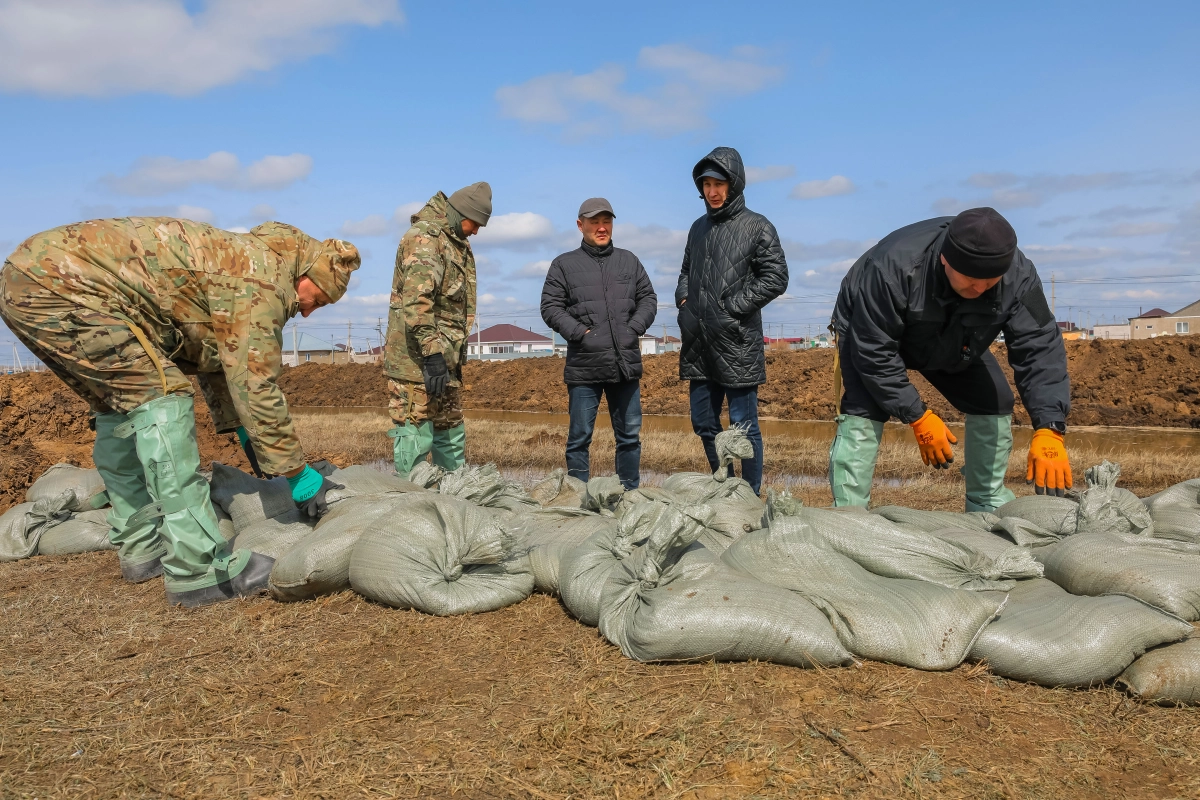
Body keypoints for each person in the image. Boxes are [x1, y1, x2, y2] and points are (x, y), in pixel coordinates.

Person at [0, 217, 358, 606]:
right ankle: (199, 568)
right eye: (317, 300)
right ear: (306, 274)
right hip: (70, 286)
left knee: (118, 408)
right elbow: (255, 384)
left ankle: (141, 548)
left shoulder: (241, 262)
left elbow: (217, 360)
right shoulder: (264, 279)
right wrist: (297, 472)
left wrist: (241, 428)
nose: (308, 313)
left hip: (28, 282)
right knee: (164, 396)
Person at [828, 207, 1071, 511]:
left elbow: (1040, 343)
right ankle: (849, 515)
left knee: (994, 399)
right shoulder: (891, 270)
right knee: (864, 408)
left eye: (990, 281)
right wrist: (917, 416)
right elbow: (874, 351)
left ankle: (985, 502)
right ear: (945, 258)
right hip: (870, 327)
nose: (980, 288)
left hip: (955, 333)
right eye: (971, 279)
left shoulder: (1021, 278)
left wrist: (1050, 426)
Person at [675, 147, 788, 495]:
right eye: (706, 184)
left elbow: (776, 276)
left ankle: (750, 493)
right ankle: (724, 483)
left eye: (719, 183)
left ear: (734, 183)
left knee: (743, 425)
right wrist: (684, 302)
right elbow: (685, 271)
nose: (712, 191)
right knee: (704, 422)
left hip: (737, 343)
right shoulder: (697, 228)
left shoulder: (757, 226)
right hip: (699, 343)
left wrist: (733, 307)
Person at [540, 197, 657, 488]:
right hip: (585, 367)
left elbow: (648, 299)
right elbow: (550, 307)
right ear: (581, 225)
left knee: (629, 436)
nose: (601, 227)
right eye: (594, 222)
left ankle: (629, 492)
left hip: (624, 366)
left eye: (606, 221)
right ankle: (578, 495)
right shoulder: (564, 265)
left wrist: (633, 329)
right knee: (579, 438)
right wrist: (582, 334)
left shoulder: (628, 260)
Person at [384, 182, 490, 475]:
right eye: (476, 223)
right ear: (461, 212)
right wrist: (432, 354)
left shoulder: (454, 241)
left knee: (450, 434)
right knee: (415, 435)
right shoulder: (426, 239)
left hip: (444, 363)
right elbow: (417, 301)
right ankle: (414, 508)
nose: (477, 231)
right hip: (417, 363)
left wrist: (445, 360)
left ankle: (452, 504)